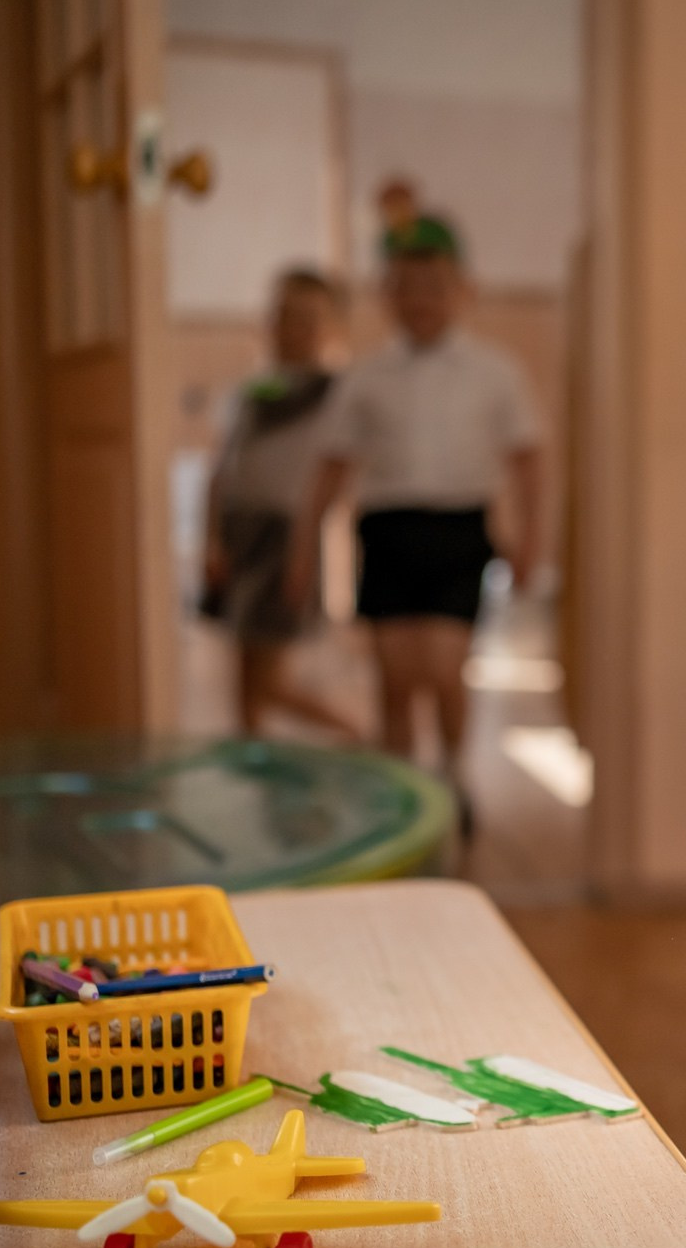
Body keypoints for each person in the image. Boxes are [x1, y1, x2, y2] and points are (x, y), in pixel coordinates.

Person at [286, 214, 541, 826]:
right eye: (406, 285)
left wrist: (532, 538)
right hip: (388, 532)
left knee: (445, 666)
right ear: (387, 293)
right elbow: (331, 468)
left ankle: (453, 774)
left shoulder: (494, 373)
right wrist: (303, 551)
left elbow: (530, 459)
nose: (421, 299)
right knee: (396, 675)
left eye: (435, 285)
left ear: (463, 291)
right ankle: (401, 794)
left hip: (460, 532)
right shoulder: (367, 377)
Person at [202, 268, 361, 741]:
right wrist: (212, 539)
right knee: (244, 670)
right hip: (239, 533)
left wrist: (303, 549)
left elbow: (336, 479)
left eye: (308, 319)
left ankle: (355, 733)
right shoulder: (247, 395)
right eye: (284, 316)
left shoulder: (338, 396)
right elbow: (222, 470)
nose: (292, 329)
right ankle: (252, 760)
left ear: (332, 328)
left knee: (269, 678)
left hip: (284, 535)